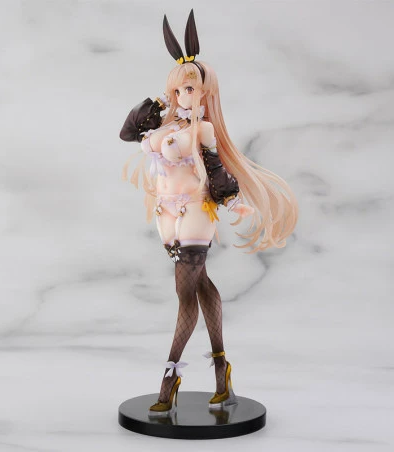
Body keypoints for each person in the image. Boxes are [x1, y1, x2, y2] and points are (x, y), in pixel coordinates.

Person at [120, 9, 298, 417]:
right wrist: (158, 102)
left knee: (185, 293)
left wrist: (233, 200)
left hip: (197, 212)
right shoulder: (162, 128)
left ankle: (169, 379)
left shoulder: (201, 131)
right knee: (201, 285)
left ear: (204, 93)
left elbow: (215, 168)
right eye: (178, 89)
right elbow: (127, 133)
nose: (184, 95)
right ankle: (222, 371)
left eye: (191, 89)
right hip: (166, 216)